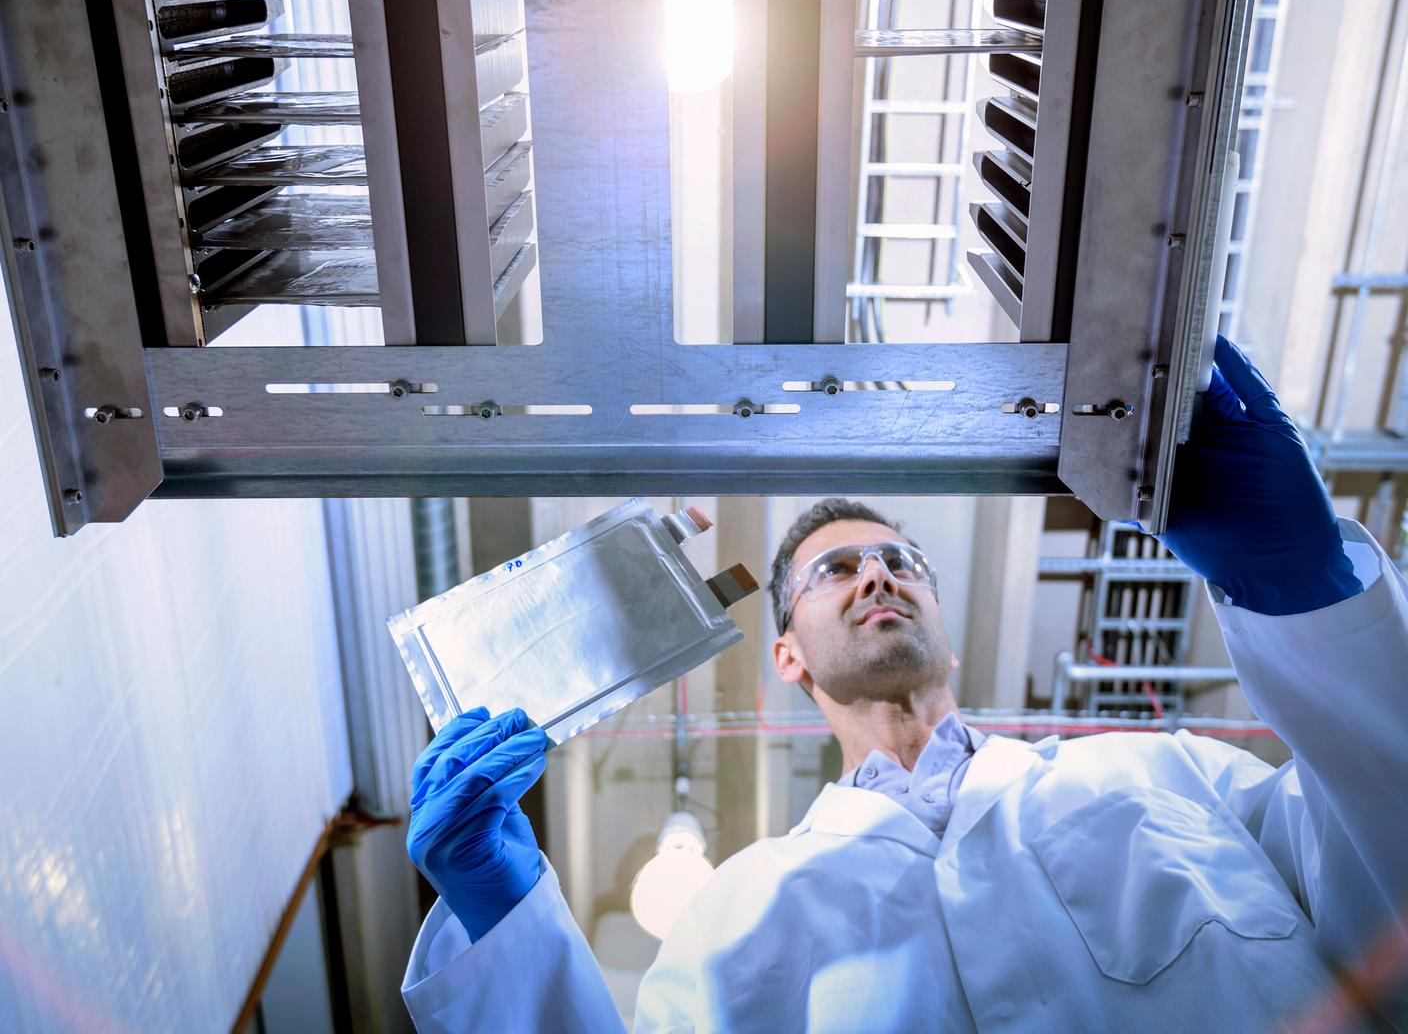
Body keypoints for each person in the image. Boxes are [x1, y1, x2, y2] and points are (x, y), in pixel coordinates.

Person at [399, 339, 1408, 1032]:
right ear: (787, 655)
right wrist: (509, 930)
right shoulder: (733, 914)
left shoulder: (1173, 778)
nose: (877, 575)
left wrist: (1314, 600)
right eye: (835, 570)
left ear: (945, 634)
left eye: (899, 561)